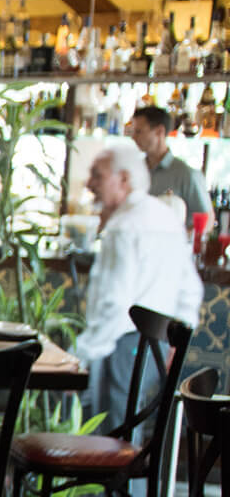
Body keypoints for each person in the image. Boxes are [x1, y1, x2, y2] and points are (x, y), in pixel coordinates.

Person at [74, 135, 202, 427]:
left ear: (124, 179)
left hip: (120, 347)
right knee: (127, 442)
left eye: (98, 175)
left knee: (110, 442)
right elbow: (191, 289)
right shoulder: (163, 216)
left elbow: (113, 304)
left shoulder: (123, 227)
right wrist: (174, 341)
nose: (89, 183)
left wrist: (82, 358)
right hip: (152, 347)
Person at [127, 102, 211, 228]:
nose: (133, 137)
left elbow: (206, 220)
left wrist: (180, 239)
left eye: (139, 132)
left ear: (160, 131)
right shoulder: (134, 169)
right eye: (132, 132)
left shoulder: (186, 174)